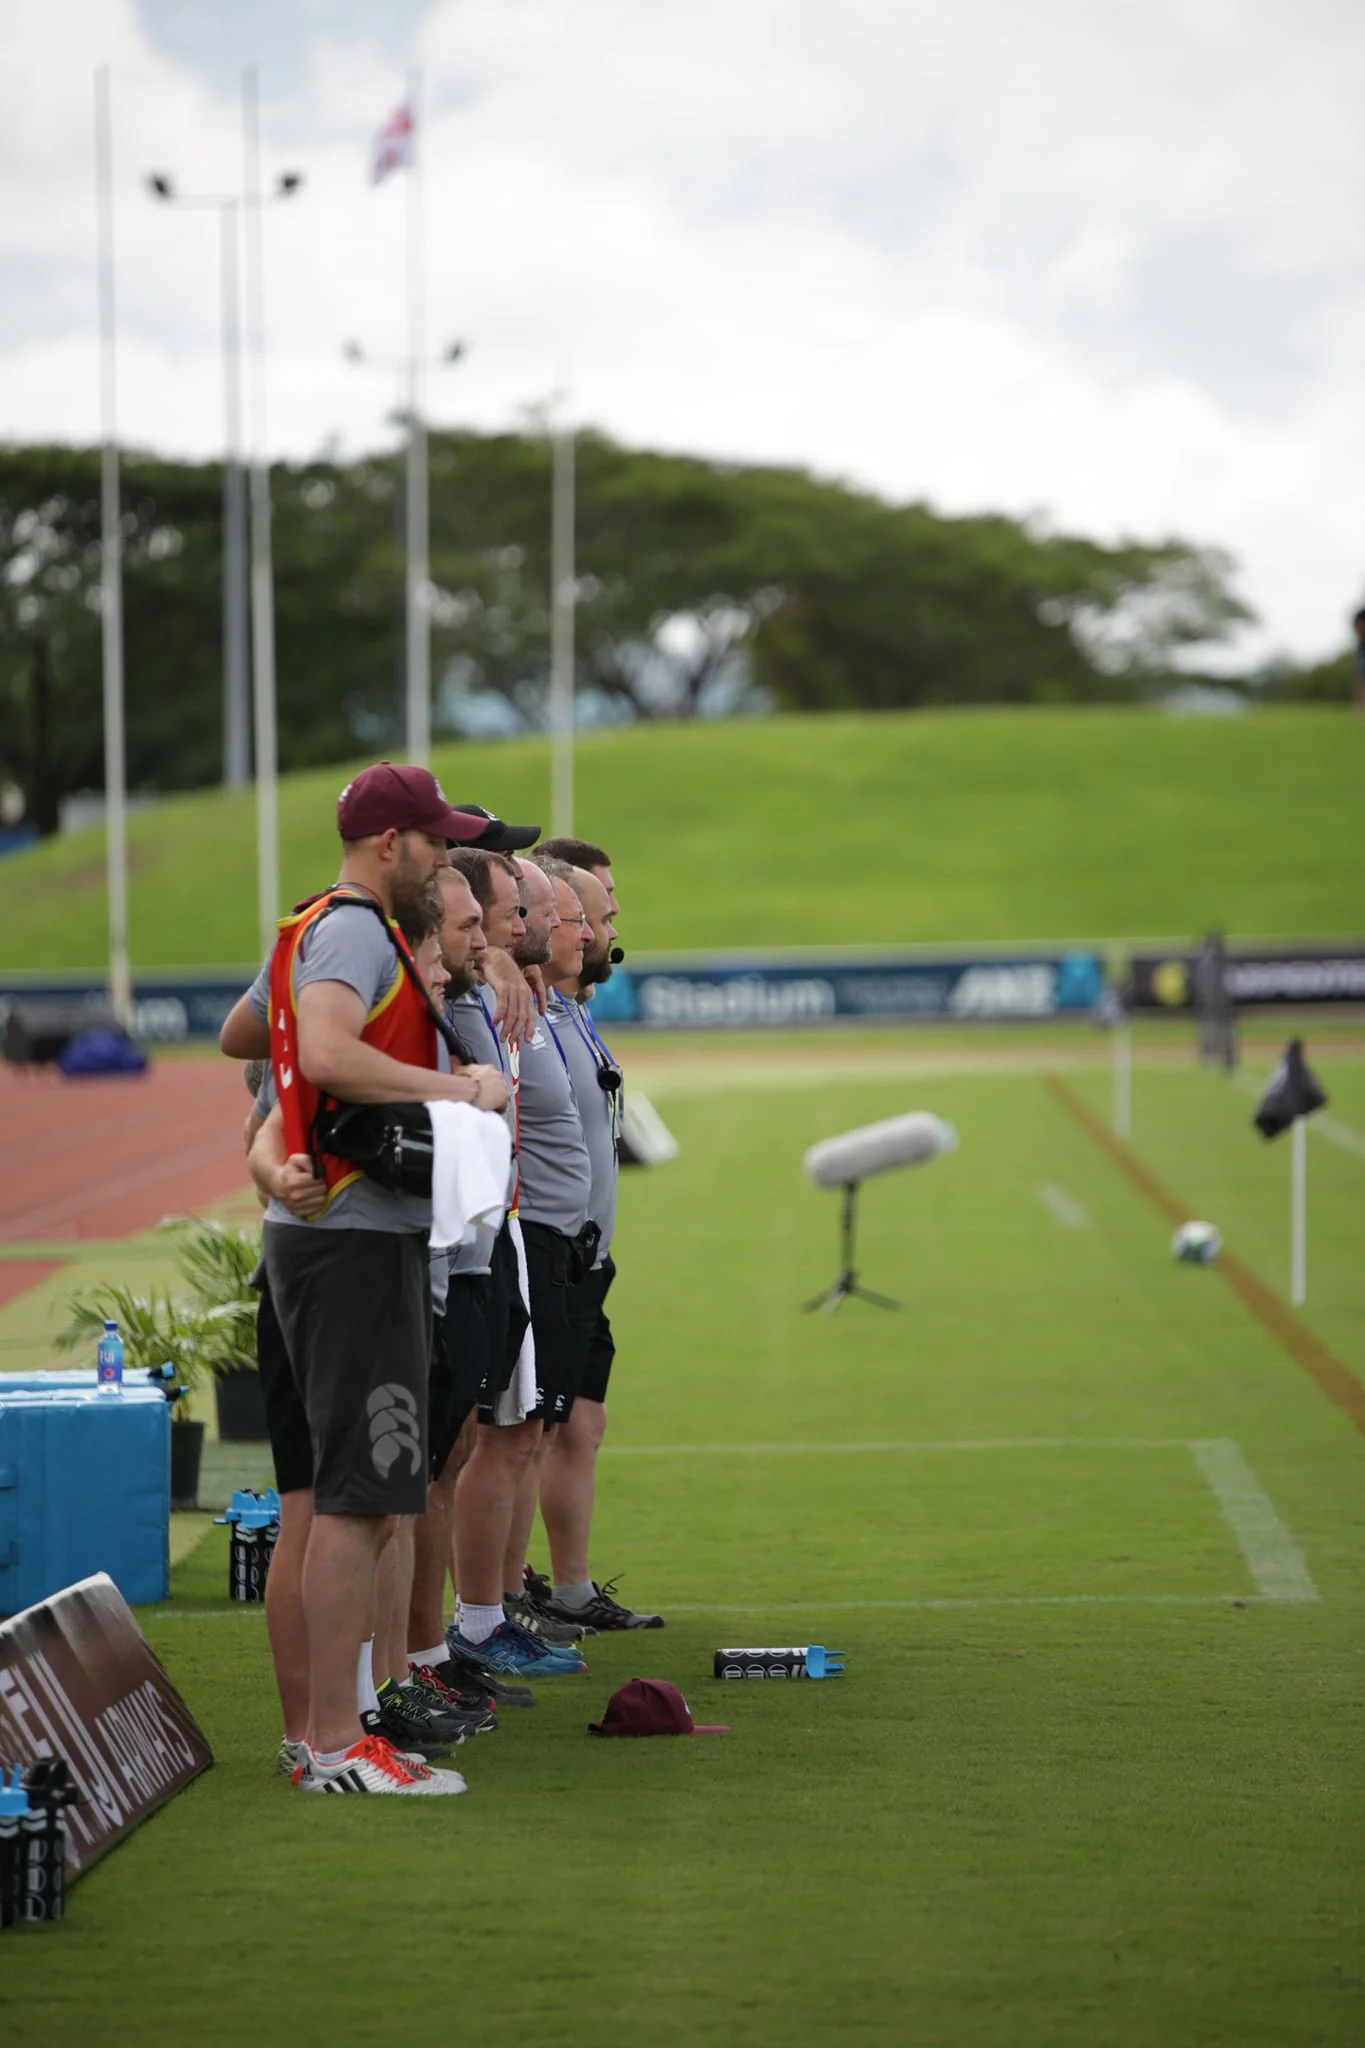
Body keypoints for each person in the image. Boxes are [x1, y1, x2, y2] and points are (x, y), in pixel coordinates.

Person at [261, 762, 509, 1795]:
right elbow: (318, 1049)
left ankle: (324, 1735)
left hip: (343, 1234)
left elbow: (256, 1035)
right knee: (359, 1501)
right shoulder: (358, 928)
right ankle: (331, 1746)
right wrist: (458, 1088)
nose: (446, 858)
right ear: (389, 845)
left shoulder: (314, 925)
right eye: (436, 842)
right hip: (356, 1240)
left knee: (349, 1496)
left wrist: (279, 1154)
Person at [438, 850, 588, 1679]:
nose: (523, 928)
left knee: (501, 1436)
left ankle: (476, 1622)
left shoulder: (496, 985)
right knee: (466, 1449)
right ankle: (463, 1630)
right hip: (471, 1240)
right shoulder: (454, 987)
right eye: (508, 916)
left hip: (508, 1232)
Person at [528, 863, 663, 1631]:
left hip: (585, 1254)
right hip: (547, 1249)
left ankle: (566, 1591)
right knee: (520, 1434)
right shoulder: (528, 1014)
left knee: (576, 1424)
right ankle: (501, 1605)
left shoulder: (571, 1012)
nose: (602, 929)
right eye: (591, 913)